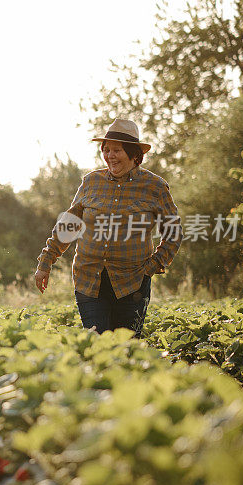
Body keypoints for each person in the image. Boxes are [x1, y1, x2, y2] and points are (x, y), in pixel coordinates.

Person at [34, 118, 182, 337]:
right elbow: (68, 225)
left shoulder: (155, 186)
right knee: (98, 344)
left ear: (134, 154)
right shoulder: (91, 181)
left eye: (117, 150)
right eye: (106, 150)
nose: (110, 156)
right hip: (89, 280)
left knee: (126, 348)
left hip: (132, 284)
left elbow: (173, 232)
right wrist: (45, 263)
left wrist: (152, 267)